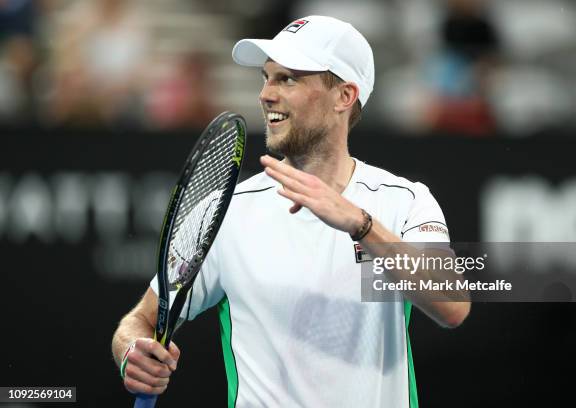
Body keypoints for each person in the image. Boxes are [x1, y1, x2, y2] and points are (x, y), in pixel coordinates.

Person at [112, 15, 470, 407]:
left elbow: (452, 304)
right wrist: (132, 351)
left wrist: (360, 225)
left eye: (288, 79)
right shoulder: (223, 212)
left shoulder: (405, 201)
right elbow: (141, 320)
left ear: (344, 96)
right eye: (265, 78)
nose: (266, 94)